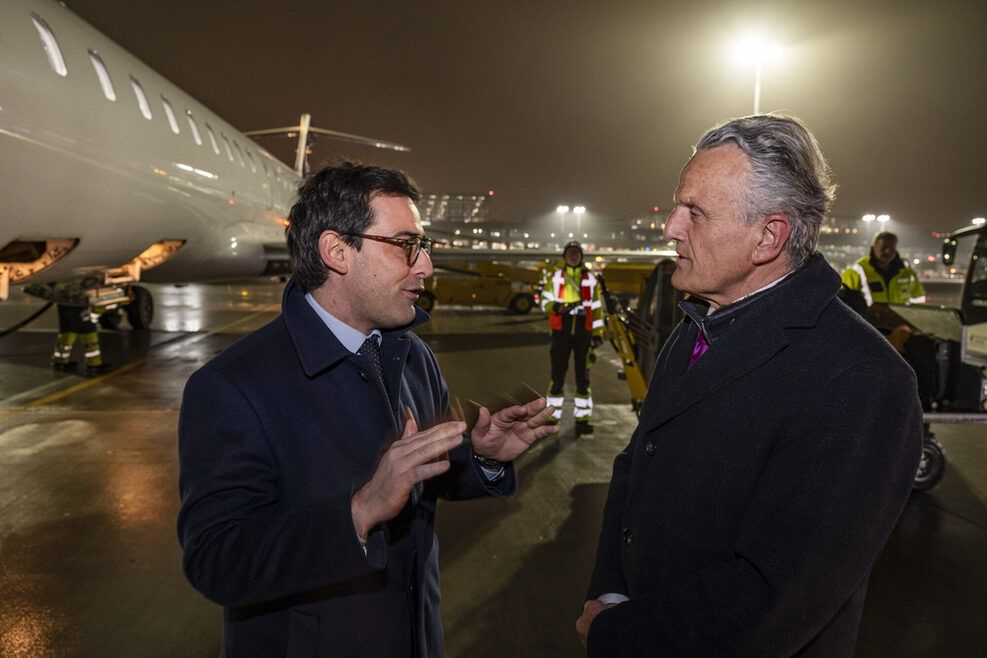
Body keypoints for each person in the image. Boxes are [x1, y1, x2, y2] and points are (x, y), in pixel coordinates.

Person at [177, 162, 558, 658]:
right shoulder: (232, 387)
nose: (425, 268)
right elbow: (217, 562)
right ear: (337, 252)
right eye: (406, 246)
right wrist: (358, 513)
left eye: (424, 247)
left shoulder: (411, 354)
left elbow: (423, 480)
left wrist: (480, 456)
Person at [576, 115, 923, 656]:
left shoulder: (862, 378)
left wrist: (618, 633)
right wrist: (611, 593)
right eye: (677, 206)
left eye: (694, 212)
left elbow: (774, 599)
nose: (670, 227)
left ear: (768, 236)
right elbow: (635, 469)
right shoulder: (698, 324)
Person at [540, 241, 604, 435]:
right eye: (570, 252)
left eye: (576, 253)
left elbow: (597, 308)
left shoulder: (590, 279)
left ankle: (582, 420)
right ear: (565, 256)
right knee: (557, 376)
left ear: (581, 256)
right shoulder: (557, 276)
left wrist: (597, 334)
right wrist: (555, 307)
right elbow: (544, 301)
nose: (573, 256)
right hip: (562, 330)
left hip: (584, 332)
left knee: (582, 377)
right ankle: (551, 417)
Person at [841, 231, 927, 307]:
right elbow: (843, 300)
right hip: (869, 323)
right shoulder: (858, 270)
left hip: (900, 323)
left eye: (892, 248)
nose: (888, 251)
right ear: (873, 247)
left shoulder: (906, 270)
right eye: (883, 247)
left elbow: (918, 299)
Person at [50, 302, 109, 375]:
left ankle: (60, 361)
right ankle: (93, 363)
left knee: (68, 328)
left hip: (64, 300)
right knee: (87, 329)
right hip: (79, 301)